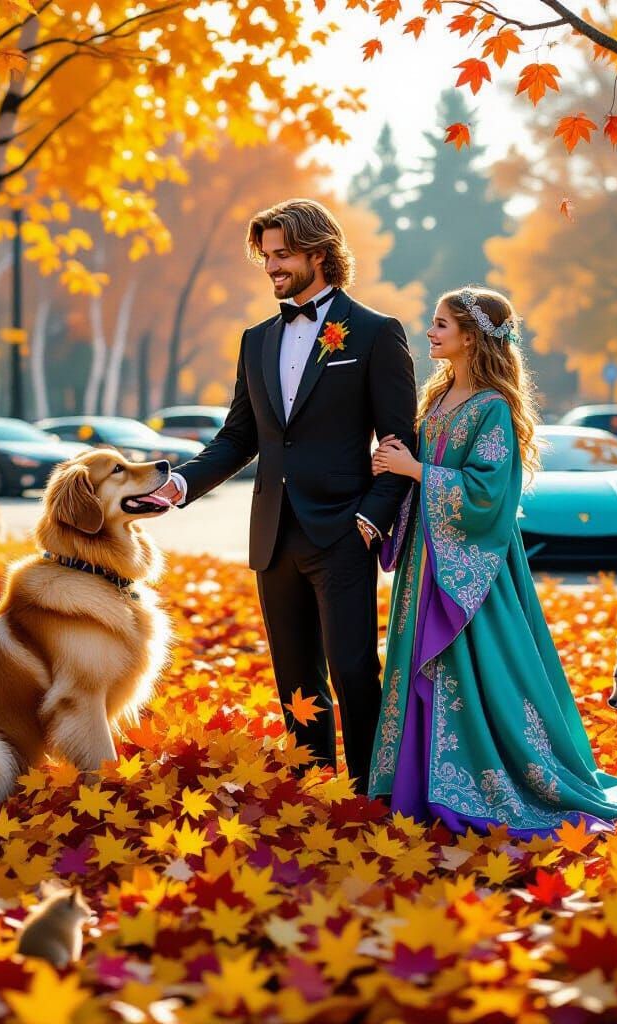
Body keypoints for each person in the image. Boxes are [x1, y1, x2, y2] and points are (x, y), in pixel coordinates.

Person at [368, 286, 617, 834]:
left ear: (471, 337)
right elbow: (423, 469)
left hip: (473, 569)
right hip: (429, 559)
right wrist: (392, 469)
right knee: (420, 663)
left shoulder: (492, 406)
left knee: (478, 670)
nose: (431, 331)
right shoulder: (438, 396)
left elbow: (489, 493)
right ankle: (413, 784)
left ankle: (474, 785)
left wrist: (413, 469)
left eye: (442, 323)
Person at [151, 199, 417, 795]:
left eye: (282, 255)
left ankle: (371, 791)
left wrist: (372, 520)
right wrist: (183, 483)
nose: (271, 266)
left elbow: (400, 442)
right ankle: (310, 788)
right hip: (274, 532)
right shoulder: (255, 340)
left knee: (352, 670)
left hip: (345, 532)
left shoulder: (376, 333)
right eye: (266, 256)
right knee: (295, 676)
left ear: (319, 254)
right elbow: (240, 437)